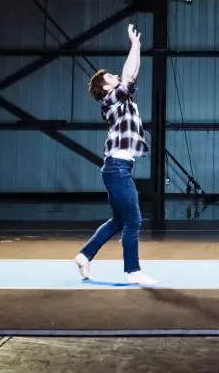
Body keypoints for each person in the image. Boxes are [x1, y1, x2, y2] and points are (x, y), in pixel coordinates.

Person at [73, 23, 158, 285]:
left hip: (117, 168)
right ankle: (133, 271)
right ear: (106, 87)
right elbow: (129, 75)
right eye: (110, 76)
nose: (115, 76)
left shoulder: (122, 99)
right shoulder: (110, 101)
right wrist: (133, 45)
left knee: (118, 220)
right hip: (117, 168)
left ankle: (85, 255)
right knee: (134, 220)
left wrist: (138, 48)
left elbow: (132, 74)